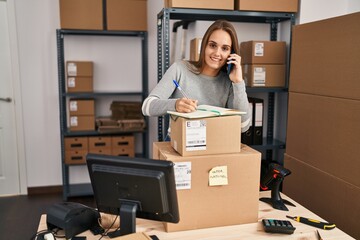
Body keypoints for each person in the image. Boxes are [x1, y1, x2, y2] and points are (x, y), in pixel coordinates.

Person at [142, 19, 251, 137]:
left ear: (232, 53)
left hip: (215, 143)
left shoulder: (230, 82)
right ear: (204, 46)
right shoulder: (180, 68)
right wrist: (175, 105)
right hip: (180, 143)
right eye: (212, 45)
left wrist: (238, 82)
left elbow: (243, 126)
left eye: (224, 48)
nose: (217, 53)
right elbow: (147, 107)